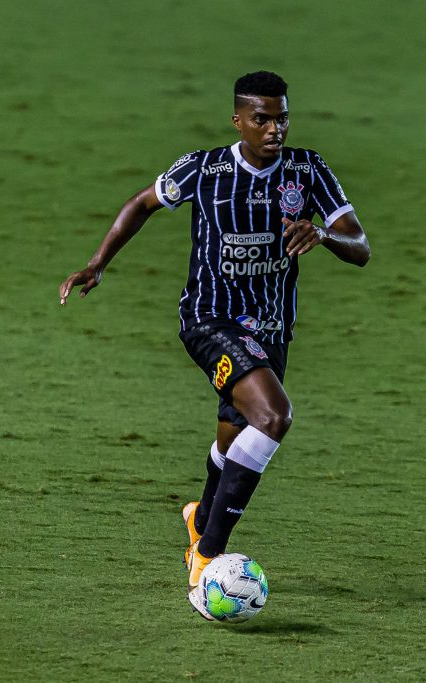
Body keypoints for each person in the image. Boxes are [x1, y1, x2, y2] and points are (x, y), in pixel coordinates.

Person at [58, 70, 370, 619]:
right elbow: (141, 204)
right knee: (273, 417)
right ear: (238, 121)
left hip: (271, 331)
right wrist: (98, 262)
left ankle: (201, 517)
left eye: (282, 117)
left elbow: (360, 245)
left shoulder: (307, 170)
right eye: (262, 119)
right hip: (210, 321)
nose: (275, 129)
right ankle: (208, 554)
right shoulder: (204, 170)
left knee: (234, 439)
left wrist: (324, 234)